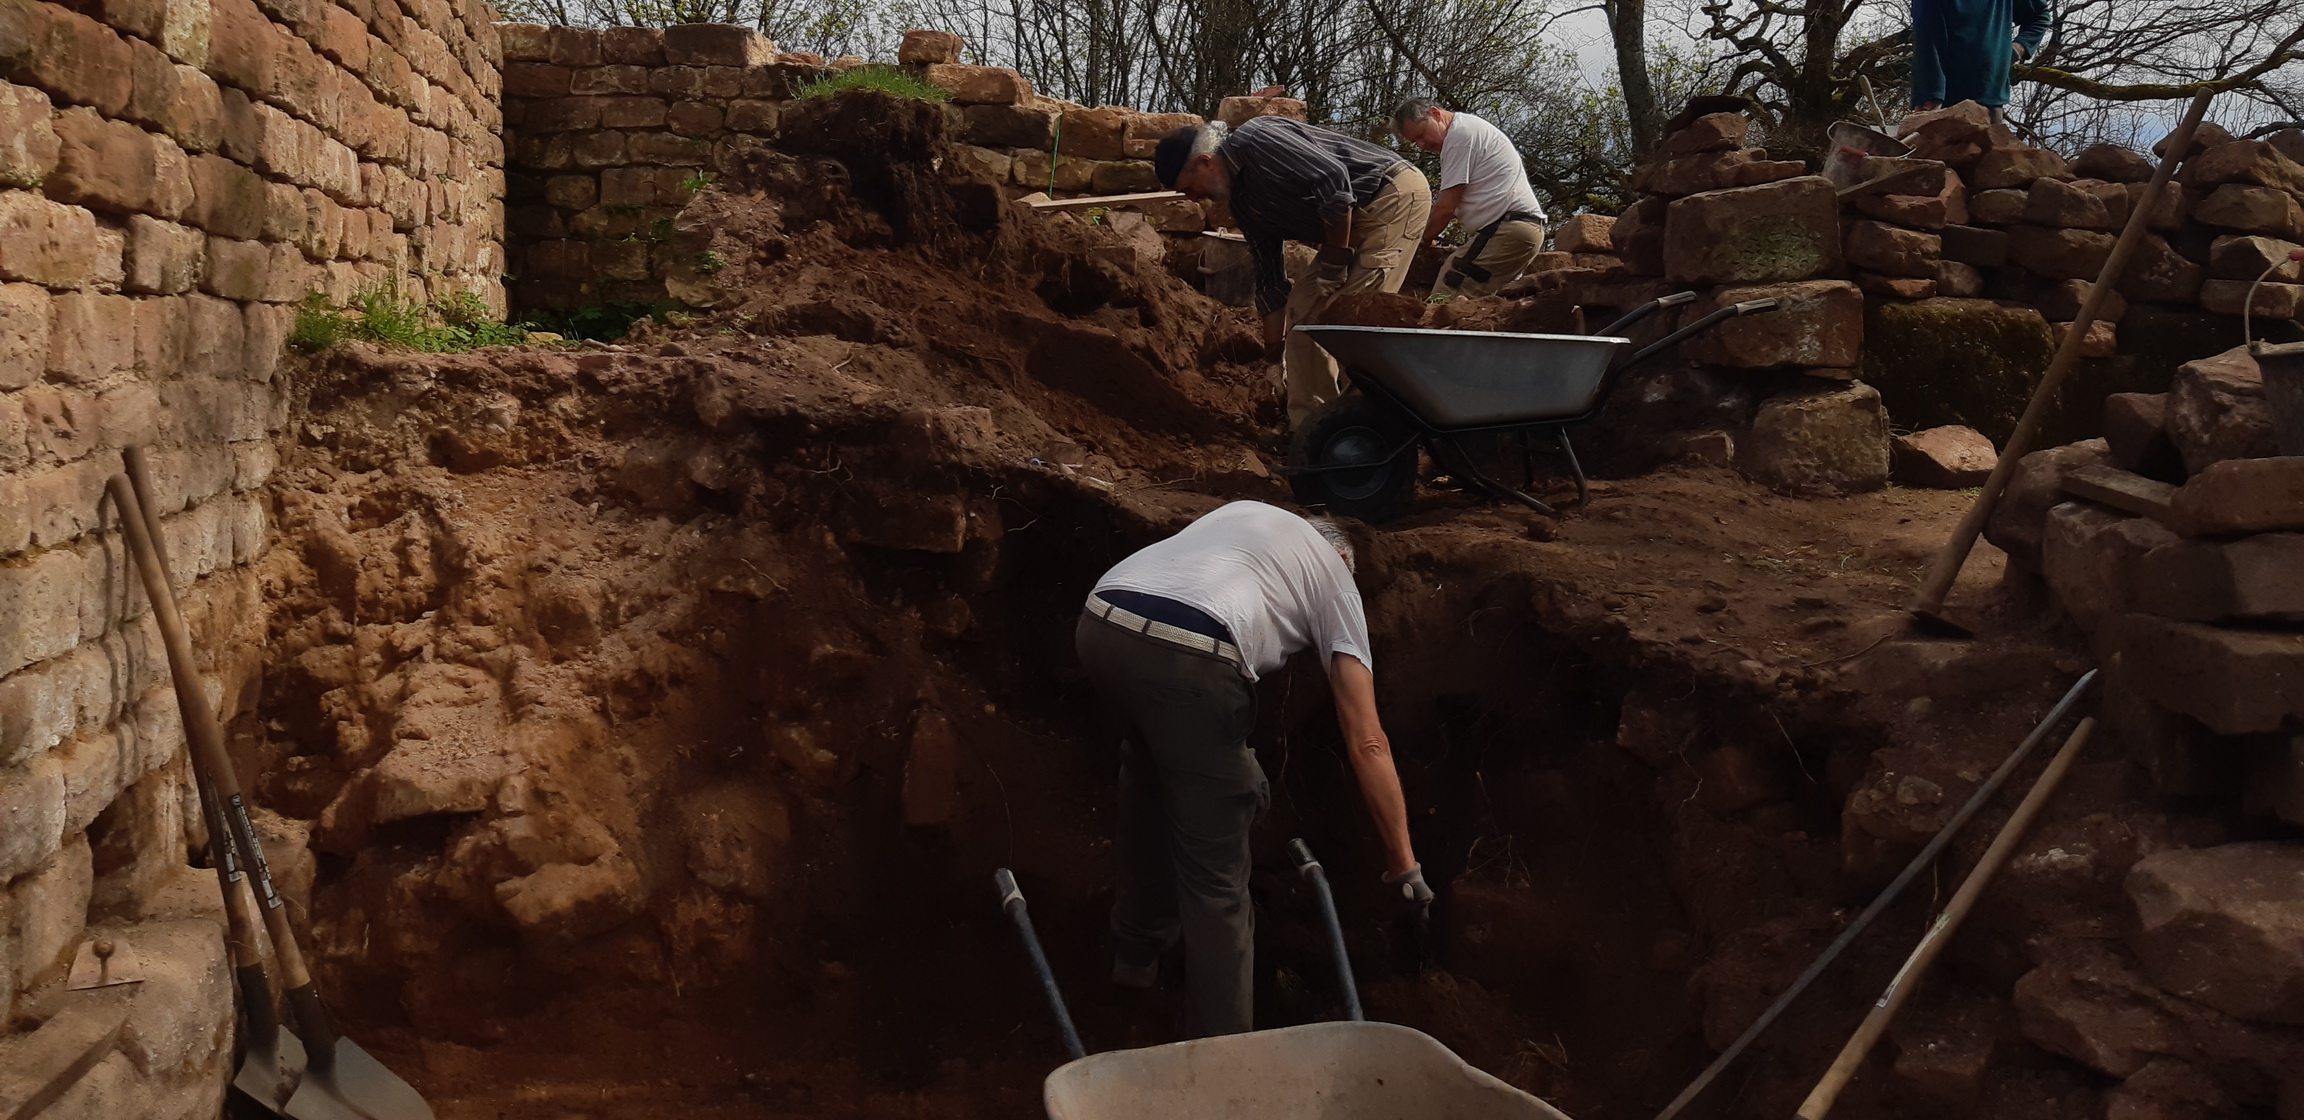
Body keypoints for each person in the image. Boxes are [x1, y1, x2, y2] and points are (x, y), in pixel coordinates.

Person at [1074, 500, 1429, 1037]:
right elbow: (1368, 742)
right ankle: (1229, 1055)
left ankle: (1135, 960)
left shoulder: (1243, 515)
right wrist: (1404, 866)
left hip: (1101, 623)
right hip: (1189, 659)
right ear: (1341, 557)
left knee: (1147, 780)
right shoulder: (1335, 578)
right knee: (1215, 875)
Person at [1154, 117, 1433, 429]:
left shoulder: (1257, 140)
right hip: (1351, 217)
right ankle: (1312, 428)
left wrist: (1334, 262)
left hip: (1390, 194)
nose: (1193, 198)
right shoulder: (1244, 203)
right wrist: (1273, 360)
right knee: (1303, 312)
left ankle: (1364, 431)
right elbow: (1270, 279)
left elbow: (1333, 179)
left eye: (1189, 188)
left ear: (1205, 162)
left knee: (1356, 316)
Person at [1391, 98, 1548, 301]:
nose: (1422, 145)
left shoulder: (1459, 137)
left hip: (1507, 230)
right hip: (1519, 230)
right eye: (1415, 142)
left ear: (1435, 114)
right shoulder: (1469, 130)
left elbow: (1446, 208)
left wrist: (1423, 240)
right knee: (1483, 307)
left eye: (1421, 134)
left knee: (1449, 291)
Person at [1910, 0, 2053, 118]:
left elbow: (2039, 16)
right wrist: (1929, 98)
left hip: (1991, 98)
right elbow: (1928, 43)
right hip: (1944, 105)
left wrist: (2015, 51)